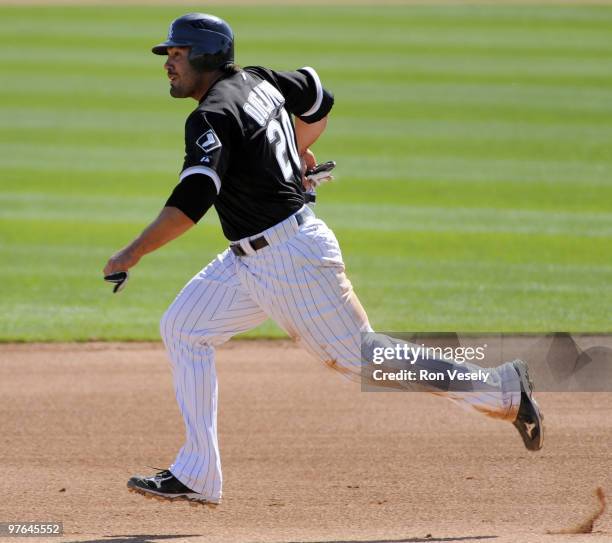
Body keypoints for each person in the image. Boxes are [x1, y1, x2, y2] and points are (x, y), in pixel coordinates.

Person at [103, 13, 544, 507]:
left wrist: (131, 251)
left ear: (205, 55)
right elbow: (315, 95)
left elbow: (193, 199)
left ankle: (502, 390)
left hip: (290, 258)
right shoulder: (259, 78)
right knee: (184, 327)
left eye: (178, 54)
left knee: (368, 359)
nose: (169, 64)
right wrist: (294, 150)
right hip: (253, 258)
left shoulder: (210, 116)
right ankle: (198, 473)